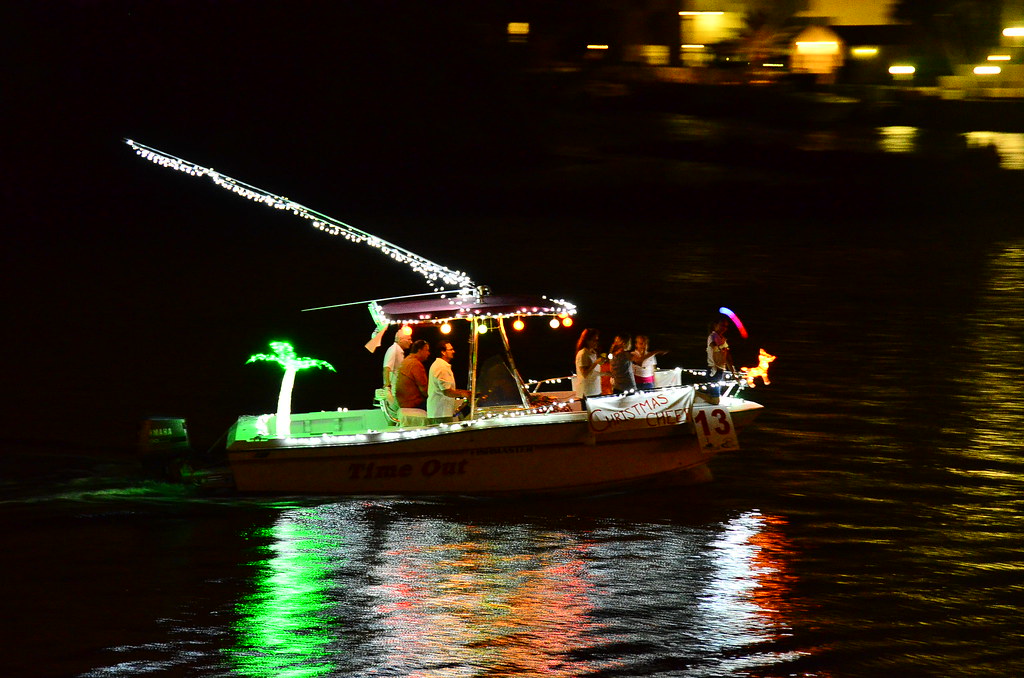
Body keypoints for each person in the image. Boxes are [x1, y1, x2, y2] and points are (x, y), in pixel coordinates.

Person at [427, 340, 472, 423]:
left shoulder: (441, 365)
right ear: (443, 352)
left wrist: (464, 392)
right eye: (451, 349)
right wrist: (464, 394)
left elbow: (447, 389)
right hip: (440, 413)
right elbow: (447, 391)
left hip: (441, 412)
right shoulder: (441, 367)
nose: (453, 351)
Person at [394, 340, 430, 409]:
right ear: (420, 350)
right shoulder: (415, 364)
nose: (429, 353)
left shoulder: (406, 361)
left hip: (403, 402)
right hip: (413, 403)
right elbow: (424, 390)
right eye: (427, 350)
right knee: (441, 405)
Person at [706, 316, 736, 398]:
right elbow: (714, 347)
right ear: (715, 325)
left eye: (726, 326)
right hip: (713, 370)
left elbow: (728, 358)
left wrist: (733, 372)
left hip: (721, 370)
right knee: (714, 395)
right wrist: (723, 346)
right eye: (722, 325)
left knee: (717, 394)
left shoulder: (723, 339)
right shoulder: (712, 336)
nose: (724, 328)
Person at [574, 328, 606, 399]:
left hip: (595, 390)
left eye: (597, 340)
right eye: (594, 340)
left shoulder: (593, 352)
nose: (596, 342)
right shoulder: (583, 353)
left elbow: (593, 373)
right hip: (587, 392)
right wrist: (596, 362)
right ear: (587, 341)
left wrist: (606, 373)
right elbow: (585, 374)